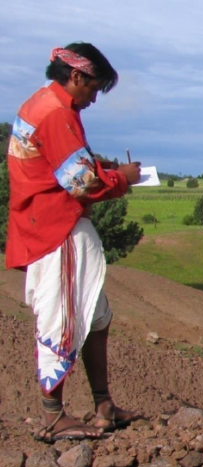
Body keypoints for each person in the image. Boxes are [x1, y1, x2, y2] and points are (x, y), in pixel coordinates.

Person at [6, 42, 142, 442]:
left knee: (95, 313)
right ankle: (53, 415)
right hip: (55, 227)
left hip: (44, 222)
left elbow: (62, 166)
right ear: (77, 77)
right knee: (62, 315)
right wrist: (123, 179)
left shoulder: (40, 105)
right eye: (94, 87)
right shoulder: (57, 115)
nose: (94, 98)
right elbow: (80, 182)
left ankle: (103, 406)